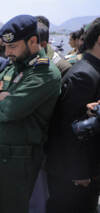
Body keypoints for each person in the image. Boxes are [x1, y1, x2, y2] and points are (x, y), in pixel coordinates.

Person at [0, 15, 61, 213]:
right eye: (5, 47)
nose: (7, 53)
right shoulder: (16, 65)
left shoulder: (44, 73)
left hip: (16, 162)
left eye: (13, 46)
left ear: (33, 42)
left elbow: (9, 111)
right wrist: (0, 95)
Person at [45, 17, 100, 213]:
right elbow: (65, 128)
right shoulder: (84, 75)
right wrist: (80, 172)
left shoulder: (93, 70)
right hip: (74, 176)